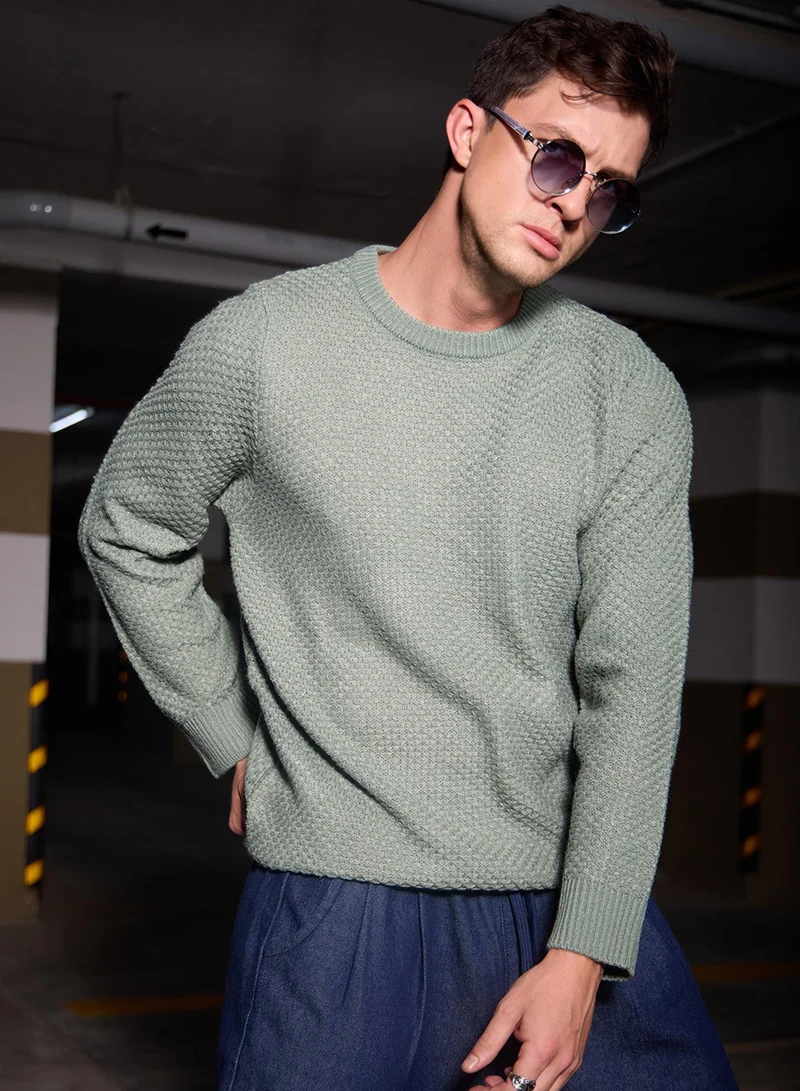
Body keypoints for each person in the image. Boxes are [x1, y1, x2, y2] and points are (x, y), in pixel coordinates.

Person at [77, 6, 741, 1090]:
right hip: (333, 911)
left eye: (607, 190)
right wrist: (228, 729)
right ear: (467, 130)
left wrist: (582, 952)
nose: (572, 202)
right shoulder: (262, 344)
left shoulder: (626, 393)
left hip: (555, 907)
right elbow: (127, 524)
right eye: (556, 156)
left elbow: (632, 688)